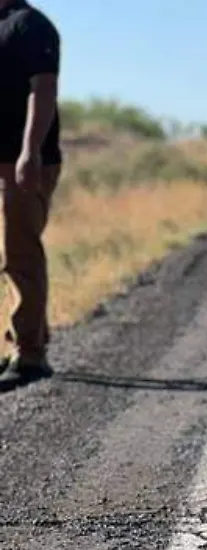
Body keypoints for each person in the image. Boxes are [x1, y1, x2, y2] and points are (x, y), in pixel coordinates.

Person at [0, 0, 61, 391]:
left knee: (19, 251)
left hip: (21, 161)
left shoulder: (31, 25)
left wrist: (30, 151)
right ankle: (24, 340)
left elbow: (43, 90)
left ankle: (32, 355)